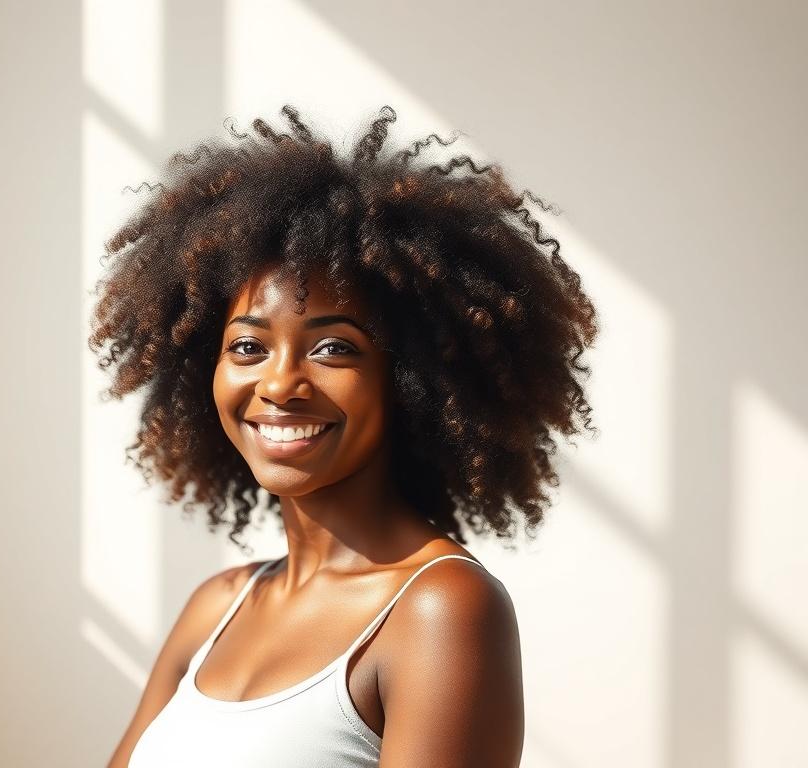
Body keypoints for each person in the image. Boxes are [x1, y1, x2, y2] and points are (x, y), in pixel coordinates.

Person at [90, 105, 599, 767]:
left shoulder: (440, 608)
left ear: (412, 377)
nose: (279, 385)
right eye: (247, 346)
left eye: (333, 348)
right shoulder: (217, 607)